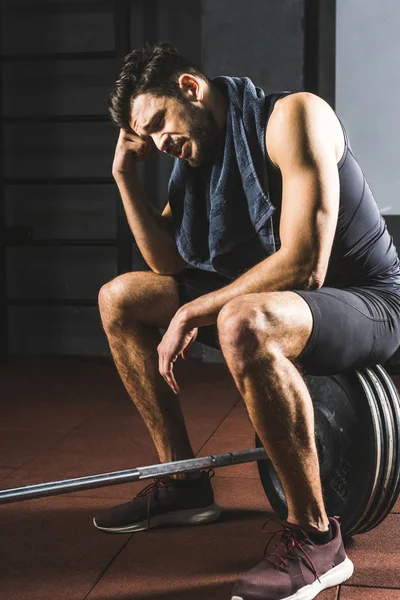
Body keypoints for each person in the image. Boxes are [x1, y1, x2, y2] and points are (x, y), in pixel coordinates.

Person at [93, 42, 400, 600]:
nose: (159, 143)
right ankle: (184, 481)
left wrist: (193, 309)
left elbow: (306, 263)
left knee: (241, 321)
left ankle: (317, 540)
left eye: (160, 122)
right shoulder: (195, 161)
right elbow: (167, 262)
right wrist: (123, 176)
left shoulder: (294, 117)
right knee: (120, 298)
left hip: (366, 300)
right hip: (286, 300)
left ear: (190, 88)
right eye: (148, 137)